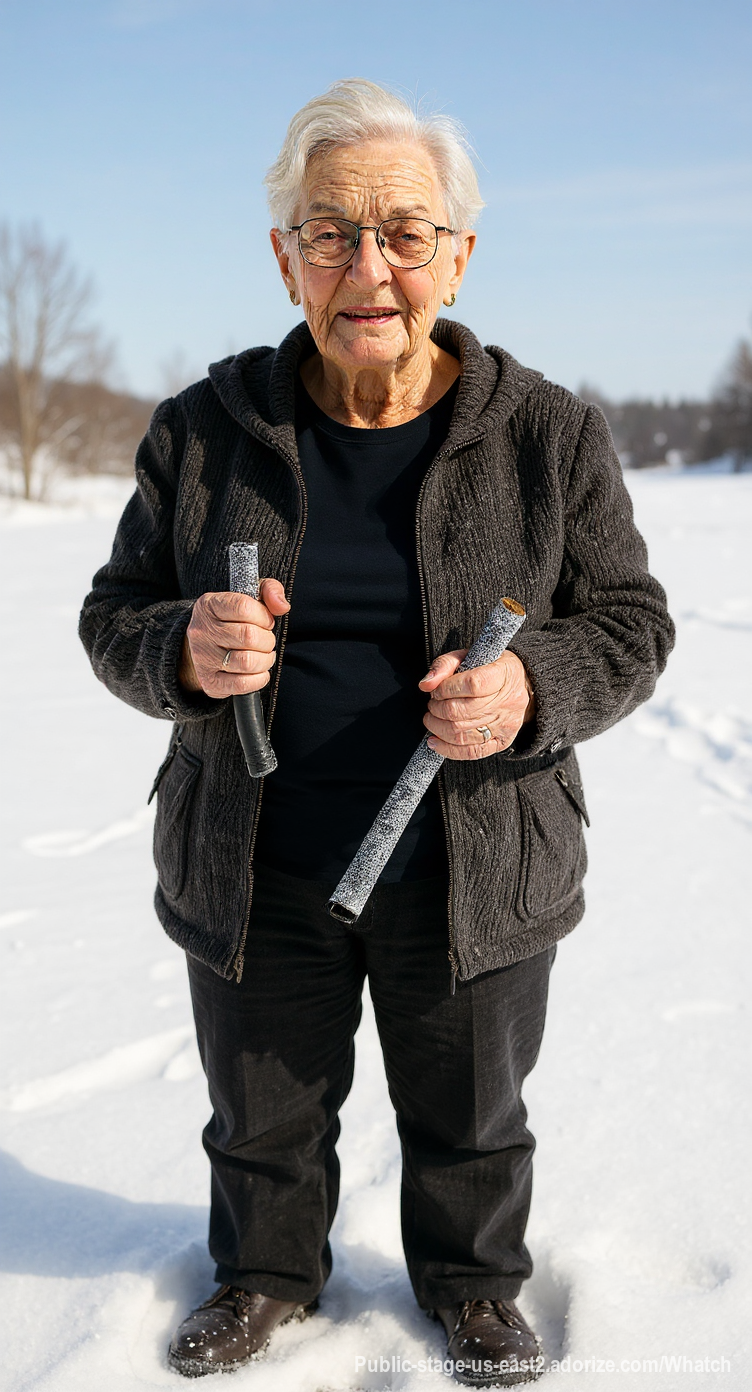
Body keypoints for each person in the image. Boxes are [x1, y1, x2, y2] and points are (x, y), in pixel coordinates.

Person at [79, 78, 674, 1387]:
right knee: (261, 1116)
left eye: (404, 233)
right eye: (331, 233)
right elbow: (113, 614)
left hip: (477, 861)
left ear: (457, 256)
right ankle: (265, 1276)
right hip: (257, 861)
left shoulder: (548, 435)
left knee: (472, 1116)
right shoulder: (203, 432)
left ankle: (475, 1287)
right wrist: (179, 647)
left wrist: (531, 692)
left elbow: (633, 626)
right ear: (283, 256)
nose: (369, 270)